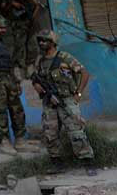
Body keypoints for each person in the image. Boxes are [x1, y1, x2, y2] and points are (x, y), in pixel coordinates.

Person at [32, 30, 96, 176]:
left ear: (53, 42)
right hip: (49, 102)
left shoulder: (64, 57)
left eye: (45, 40)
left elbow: (84, 73)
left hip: (67, 100)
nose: (41, 43)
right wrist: (39, 89)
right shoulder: (40, 61)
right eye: (40, 40)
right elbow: (35, 80)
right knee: (50, 133)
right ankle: (57, 164)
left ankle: (88, 162)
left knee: (76, 131)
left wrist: (78, 93)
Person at [0, 15, 38, 155]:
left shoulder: (3, 43)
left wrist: (16, 82)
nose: (4, 30)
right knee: (1, 111)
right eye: (1, 28)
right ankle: (5, 141)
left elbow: (9, 64)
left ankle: (20, 140)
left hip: (9, 79)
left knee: (17, 109)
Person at [1, 0, 39, 78]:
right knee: (19, 46)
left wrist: (32, 18)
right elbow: (3, 7)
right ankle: (20, 69)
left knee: (32, 45)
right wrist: (12, 3)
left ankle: (29, 66)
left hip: (28, 21)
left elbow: (37, 5)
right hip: (15, 23)